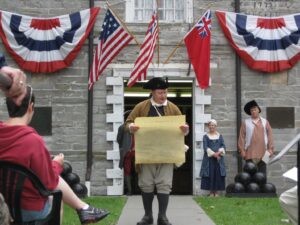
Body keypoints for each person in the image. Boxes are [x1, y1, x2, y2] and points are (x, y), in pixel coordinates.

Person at [0, 86, 109, 224]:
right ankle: (83, 208)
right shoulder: (33, 141)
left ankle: (84, 208)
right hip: (28, 211)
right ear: (31, 107)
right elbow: (49, 183)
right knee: (56, 198)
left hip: (3, 205)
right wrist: (57, 165)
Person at [125, 77, 189, 225]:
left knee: (164, 184)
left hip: (167, 153)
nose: (163, 96)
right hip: (146, 152)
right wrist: (131, 127)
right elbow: (127, 123)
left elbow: (183, 126)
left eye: (165, 92)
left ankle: (162, 216)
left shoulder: (173, 108)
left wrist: (185, 129)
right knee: (146, 183)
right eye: (160, 93)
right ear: (152, 92)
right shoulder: (141, 107)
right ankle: (148, 216)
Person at [238, 100, 274, 176]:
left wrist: (270, 149)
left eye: (255, 109)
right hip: (250, 152)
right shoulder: (246, 122)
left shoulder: (265, 122)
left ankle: (262, 188)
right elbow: (241, 137)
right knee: (250, 175)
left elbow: (270, 135)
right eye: (252, 110)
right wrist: (242, 150)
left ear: (258, 110)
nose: (253, 111)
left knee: (262, 175)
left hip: (264, 153)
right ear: (250, 112)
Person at [200, 119, 226, 197]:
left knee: (217, 174)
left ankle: (216, 192)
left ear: (216, 126)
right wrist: (214, 154)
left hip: (219, 159)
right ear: (208, 126)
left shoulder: (220, 136)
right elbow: (205, 147)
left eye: (213, 125)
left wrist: (218, 153)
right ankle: (211, 192)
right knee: (210, 174)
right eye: (210, 125)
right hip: (209, 159)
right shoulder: (205, 136)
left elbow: (223, 146)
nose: (212, 127)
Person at [117, 110, 135, 195]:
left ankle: (135, 190)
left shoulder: (139, 127)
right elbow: (119, 140)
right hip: (128, 153)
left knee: (139, 170)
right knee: (127, 171)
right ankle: (130, 190)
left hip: (136, 152)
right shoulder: (122, 128)